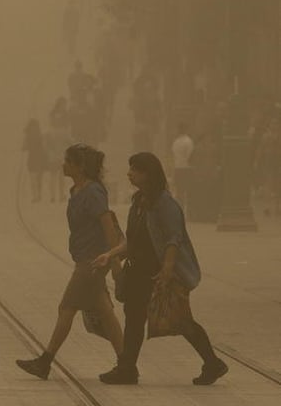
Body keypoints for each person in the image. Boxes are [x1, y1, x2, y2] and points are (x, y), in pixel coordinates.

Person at [95, 152, 228, 385]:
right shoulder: (139, 201)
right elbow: (133, 240)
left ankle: (213, 363)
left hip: (158, 273)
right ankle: (127, 369)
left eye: (134, 169)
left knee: (181, 320)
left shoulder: (165, 203)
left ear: (148, 174)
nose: (129, 173)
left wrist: (167, 269)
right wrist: (111, 254)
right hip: (137, 270)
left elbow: (173, 239)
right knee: (134, 318)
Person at [16, 144, 124, 380]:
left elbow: (107, 226)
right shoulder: (77, 190)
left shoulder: (93, 192)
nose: (63, 165)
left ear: (80, 166)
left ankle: (45, 362)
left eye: (68, 161)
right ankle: (127, 363)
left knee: (66, 308)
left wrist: (115, 264)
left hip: (93, 261)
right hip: (85, 258)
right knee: (105, 311)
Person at [23, 119, 48, 202]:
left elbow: (24, 147)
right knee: (38, 179)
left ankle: (35, 196)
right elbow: (44, 148)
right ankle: (38, 195)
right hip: (40, 159)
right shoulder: (40, 136)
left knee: (33, 178)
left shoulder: (28, 136)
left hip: (32, 159)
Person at [171, 123, 194, 208]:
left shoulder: (175, 142)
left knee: (179, 191)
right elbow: (190, 155)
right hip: (187, 168)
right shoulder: (188, 141)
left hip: (177, 168)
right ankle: (187, 209)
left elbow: (174, 155)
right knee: (187, 190)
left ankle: (179, 208)